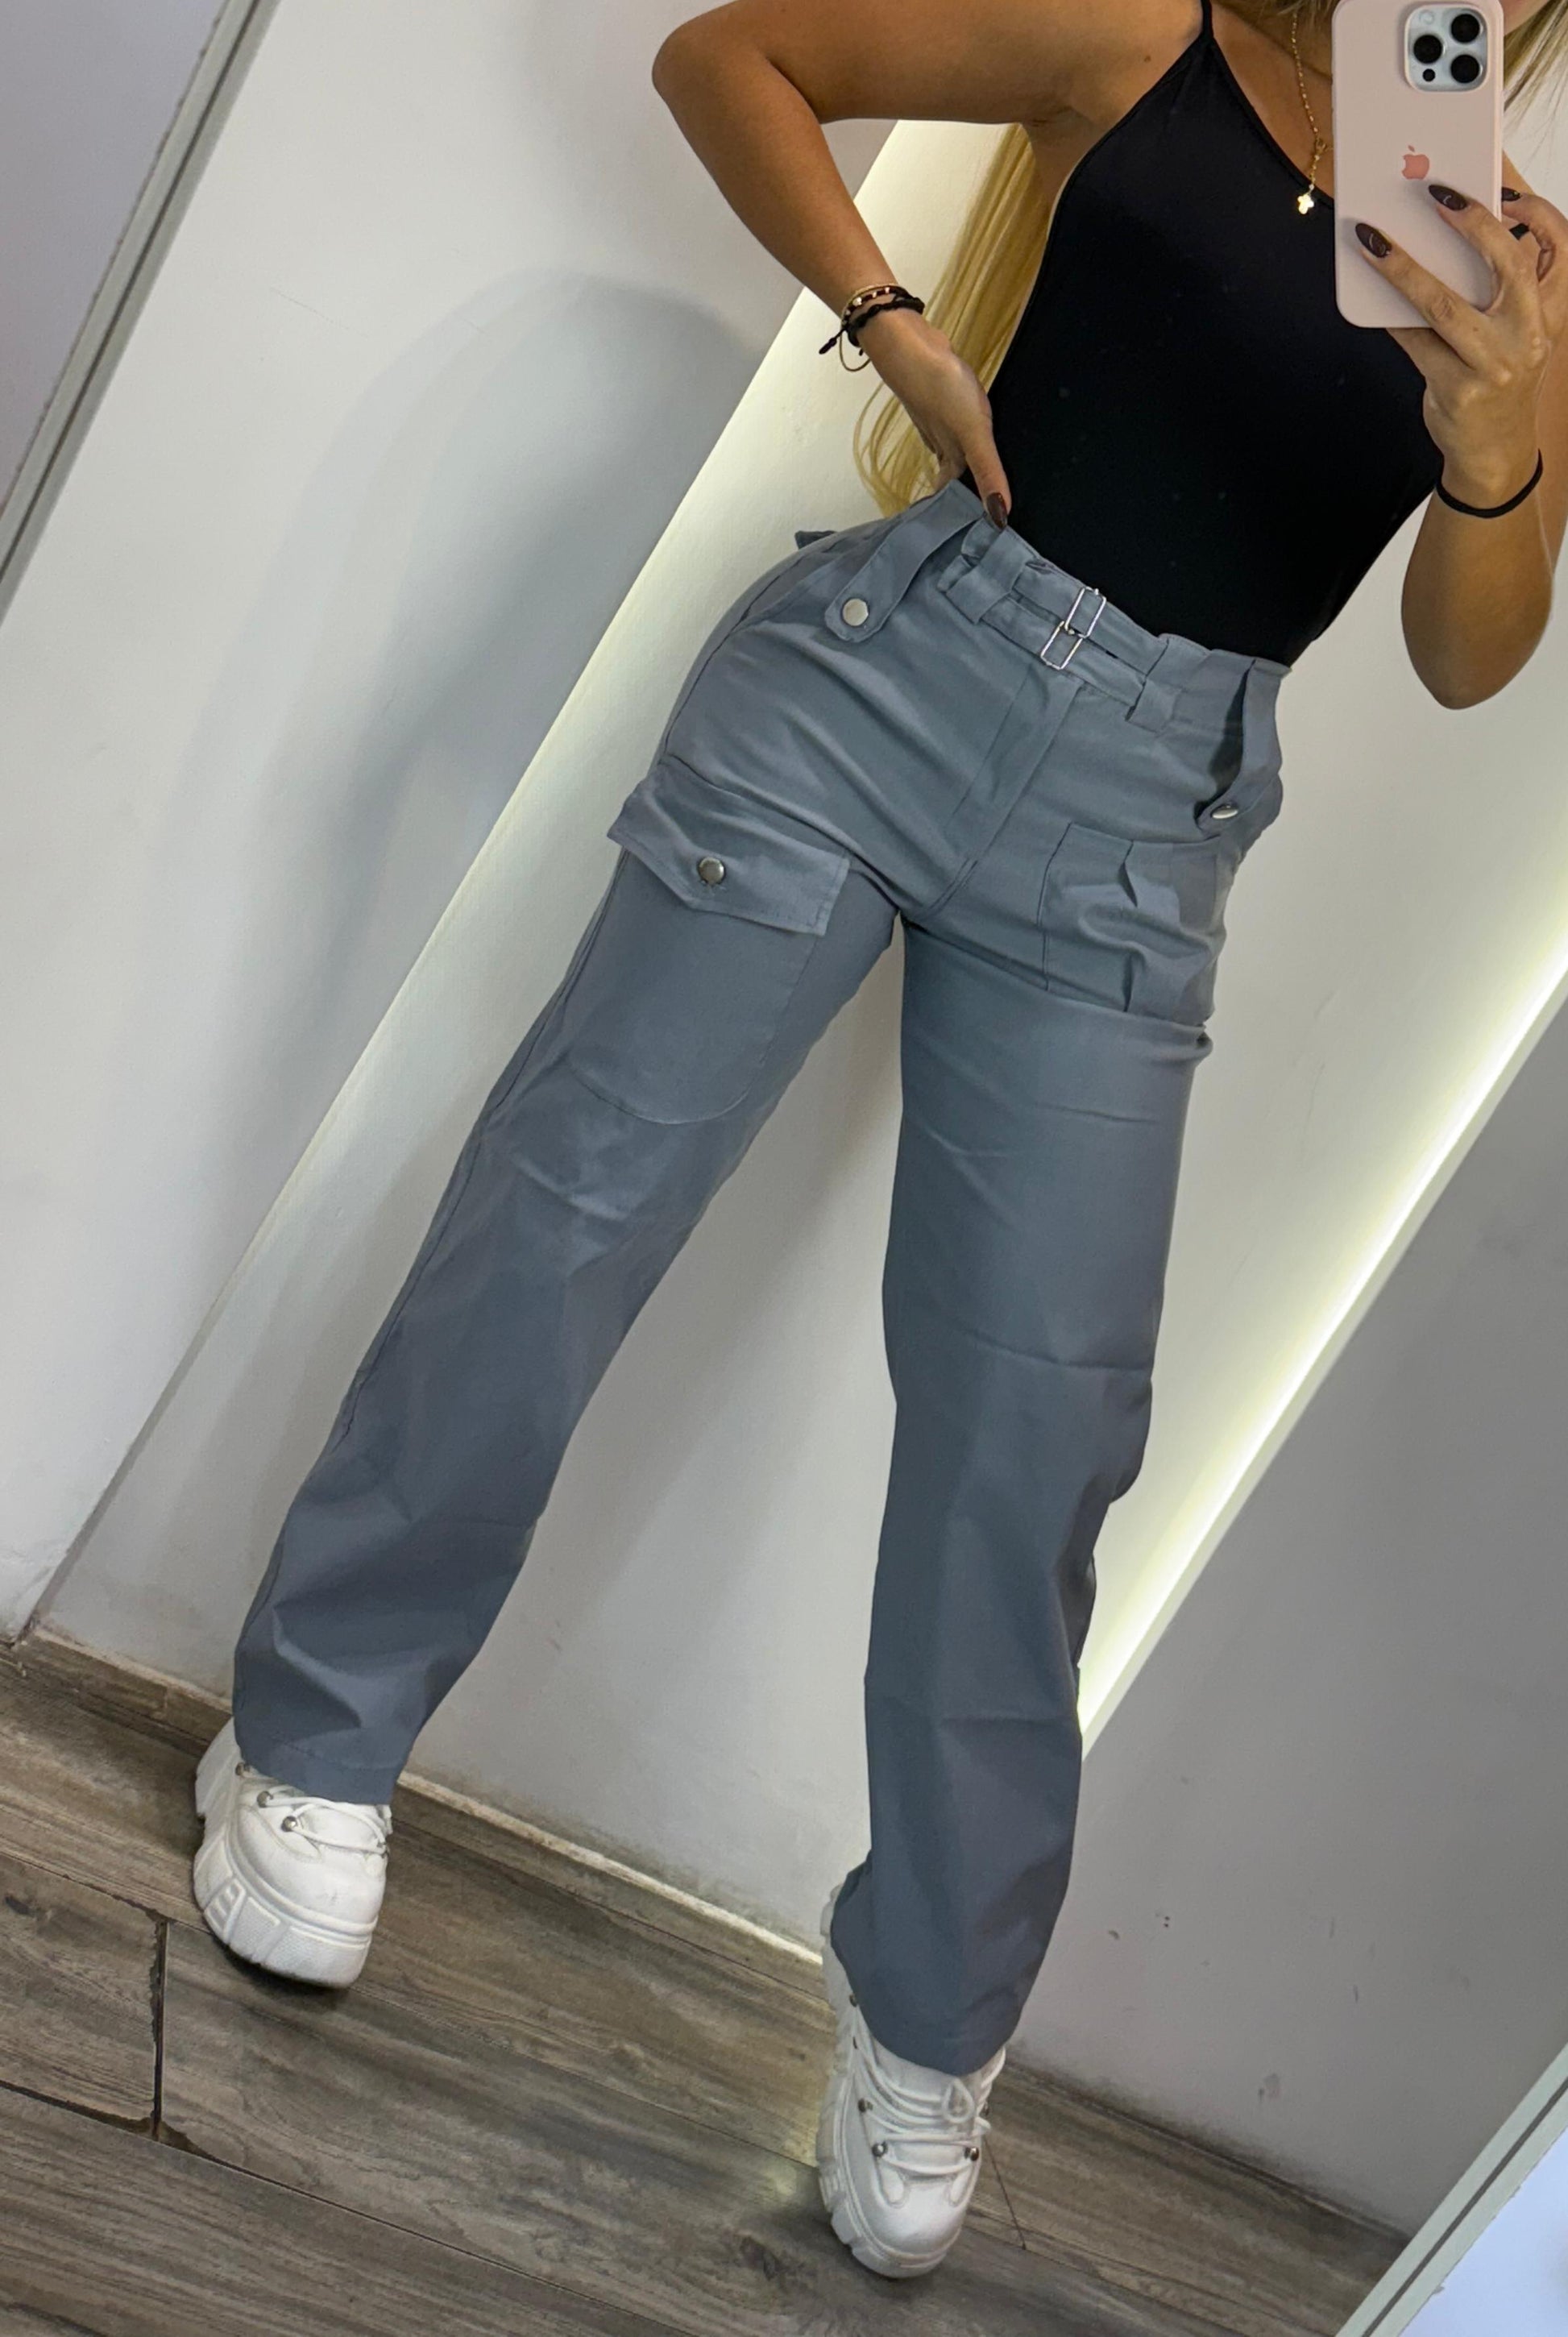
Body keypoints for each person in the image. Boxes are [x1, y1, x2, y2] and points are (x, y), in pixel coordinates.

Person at [190, 0, 1568, 2282]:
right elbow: (730, 60)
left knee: (1037, 1446)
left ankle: (928, 2023)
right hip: (881, 683)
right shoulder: (1143, 35)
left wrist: (1503, 442)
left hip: (1143, 842)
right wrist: (897, 330)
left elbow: (1464, 655)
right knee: (571, 1208)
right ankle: (313, 1737)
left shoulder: (1518, 254)